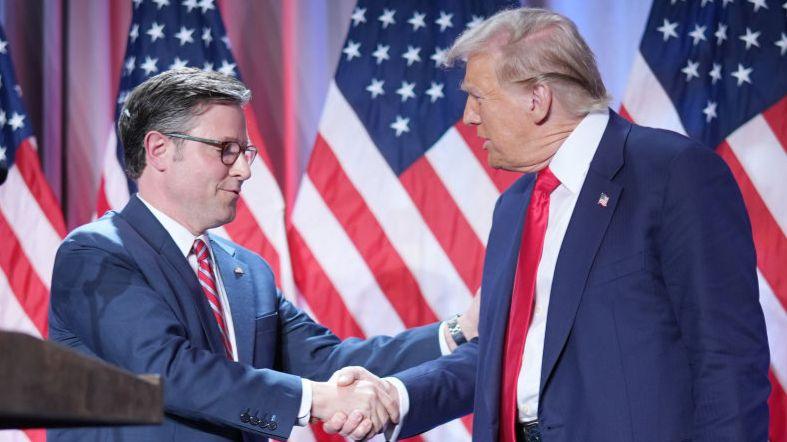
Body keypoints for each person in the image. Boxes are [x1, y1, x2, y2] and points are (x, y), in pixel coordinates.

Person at [328, 7, 771, 442]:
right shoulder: (516, 206)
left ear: (537, 99)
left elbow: (727, 356)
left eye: (478, 97)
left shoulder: (670, 173)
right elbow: (507, 354)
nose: (468, 117)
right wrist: (398, 395)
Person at [48, 67, 477, 442]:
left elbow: (327, 361)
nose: (244, 169)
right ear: (159, 149)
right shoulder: (95, 254)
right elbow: (168, 370)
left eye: (245, 152)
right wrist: (317, 400)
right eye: (225, 150)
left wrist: (456, 331)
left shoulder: (246, 272)